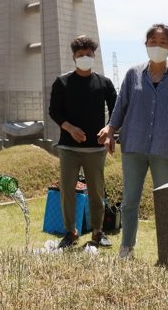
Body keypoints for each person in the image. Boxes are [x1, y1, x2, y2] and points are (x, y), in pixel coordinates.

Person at [99, 24, 168, 259]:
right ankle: (127, 247)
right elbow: (120, 106)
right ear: (145, 44)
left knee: (165, 200)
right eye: (153, 41)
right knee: (130, 199)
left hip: (165, 146)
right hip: (134, 145)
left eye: (163, 42)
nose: (157, 46)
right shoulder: (133, 74)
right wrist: (110, 130)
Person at [49, 35, 117, 249]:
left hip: (95, 149)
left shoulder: (104, 83)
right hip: (68, 147)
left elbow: (117, 110)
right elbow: (54, 111)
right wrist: (70, 128)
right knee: (68, 189)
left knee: (97, 191)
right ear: (74, 57)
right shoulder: (62, 82)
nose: (85, 58)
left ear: (94, 56)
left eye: (89, 55)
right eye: (81, 55)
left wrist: (108, 130)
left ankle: (97, 231)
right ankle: (71, 231)